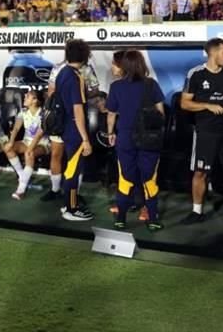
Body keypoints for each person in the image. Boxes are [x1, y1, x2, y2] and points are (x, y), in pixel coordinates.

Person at [180, 38, 223, 229]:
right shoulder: (196, 74)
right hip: (205, 132)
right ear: (213, 53)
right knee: (200, 173)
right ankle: (196, 211)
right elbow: (184, 103)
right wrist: (207, 105)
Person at [106, 51, 165, 231]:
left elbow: (111, 115)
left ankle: (121, 218)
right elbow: (161, 113)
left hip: (125, 138)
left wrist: (110, 133)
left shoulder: (116, 87)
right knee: (150, 180)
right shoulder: (151, 84)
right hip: (150, 139)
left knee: (125, 178)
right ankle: (153, 220)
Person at [54, 39, 94, 221]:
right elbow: (77, 109)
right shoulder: (75, 77)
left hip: (67, 128)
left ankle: (67, 205)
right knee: (72, 171)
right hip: (74, 131)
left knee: (70, 169)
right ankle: (71, 208)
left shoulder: (62, 73)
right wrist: (85, 138)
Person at [3, 89, 49, 200]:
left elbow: (39, 134)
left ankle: (21, 189)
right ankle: (22, 177)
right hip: (26, 141)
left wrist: (30, 148)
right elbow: (16, 128)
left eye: (27, 96)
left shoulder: (44, 113)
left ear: (35, 100)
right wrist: (11, 142)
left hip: (42, 143)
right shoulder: (23, 112)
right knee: (8, 148)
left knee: (30, 153)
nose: (24, 97)